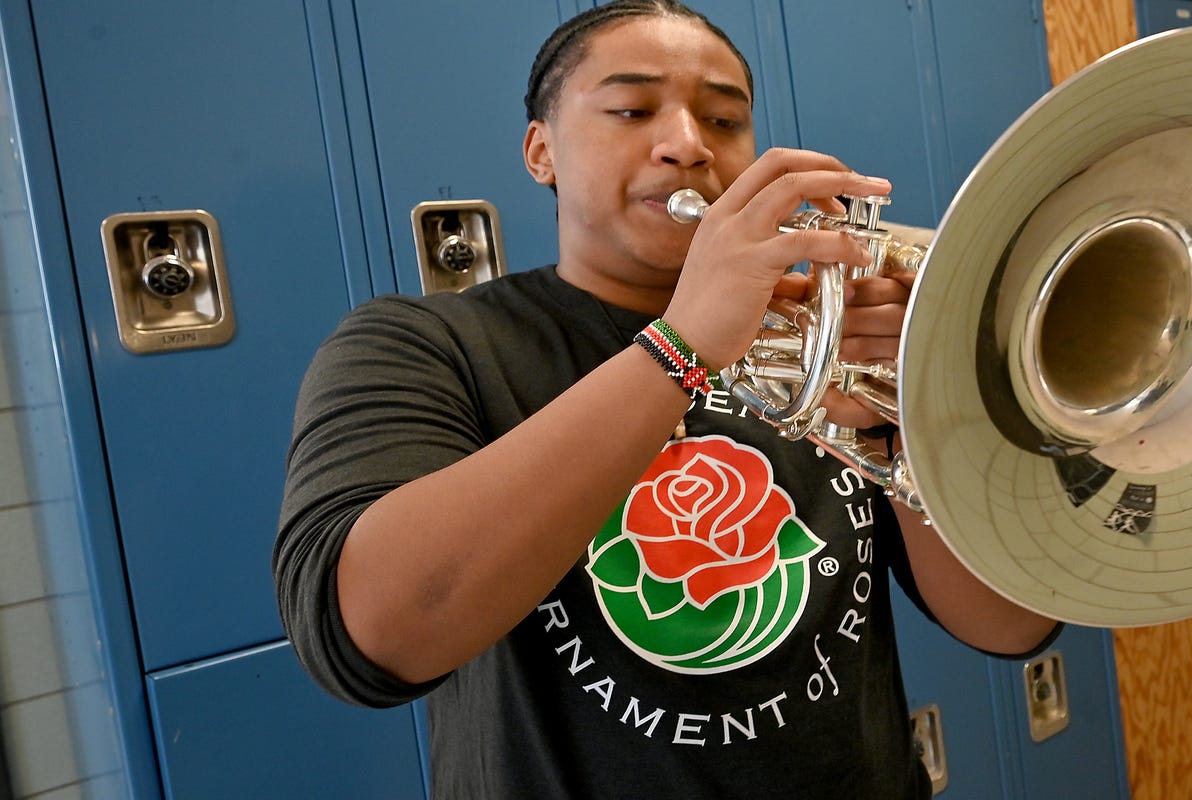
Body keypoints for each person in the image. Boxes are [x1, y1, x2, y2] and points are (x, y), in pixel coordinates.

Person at [275, 2, 1057, 797]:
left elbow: (1011, 623)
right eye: (630, 109)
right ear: (540, 152)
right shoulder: (423, 345)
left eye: (724, 119)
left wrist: (910, 418)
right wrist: (681, 347)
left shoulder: (828, 342)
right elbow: (371, 638)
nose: (688, 145)